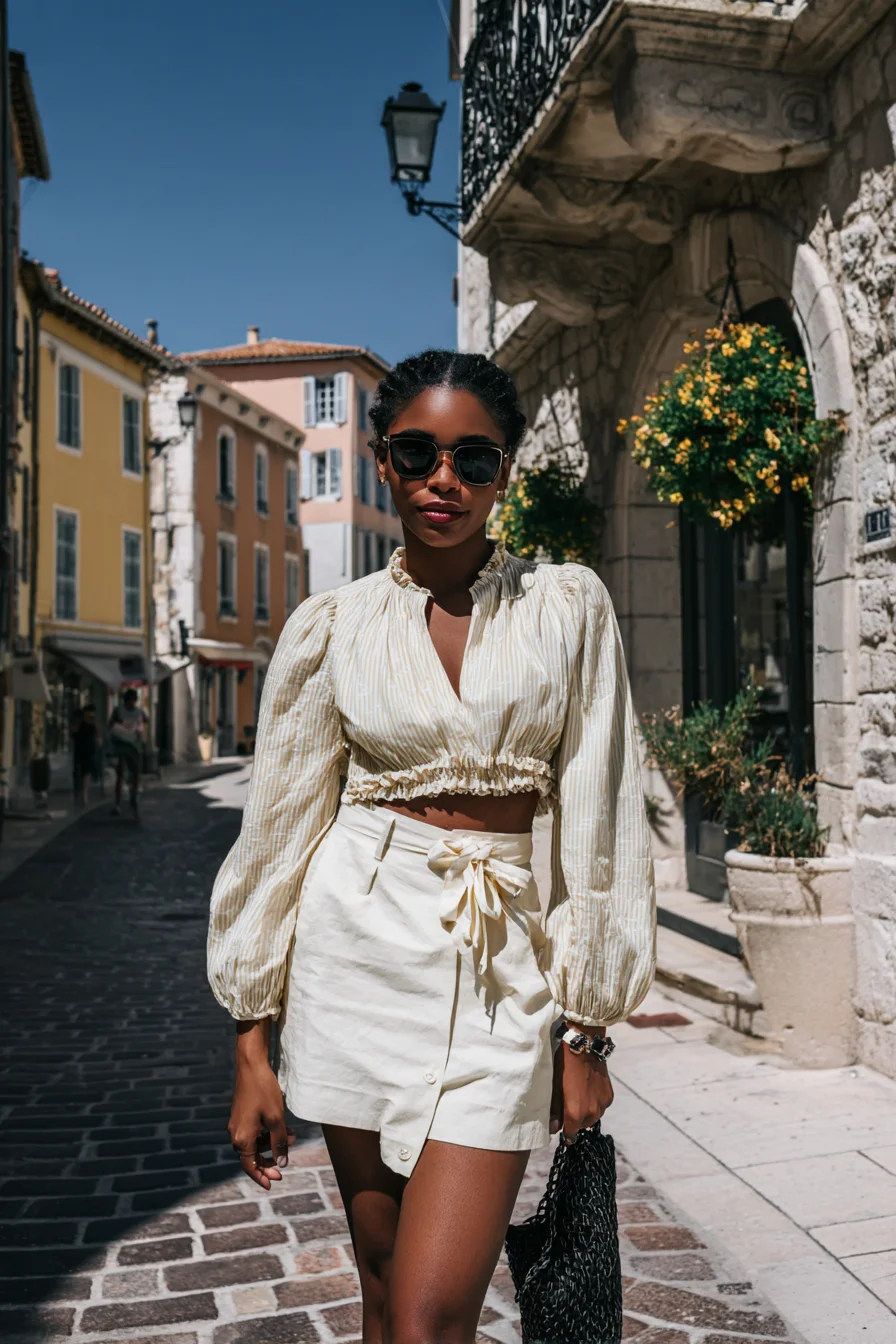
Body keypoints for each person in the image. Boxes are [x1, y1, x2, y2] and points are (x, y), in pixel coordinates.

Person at [208, 350, 656, 1343]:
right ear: (382, 462)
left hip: (504, 970)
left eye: (472, 458)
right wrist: (250, 1044)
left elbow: (601, 816)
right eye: (416, 454)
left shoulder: (565, 606)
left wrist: (586, 1032)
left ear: (504, 472)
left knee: (427, 1316)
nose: (442, 479)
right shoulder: (331, 628)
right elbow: (277, 831)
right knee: (379, 1291)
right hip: (357, 951)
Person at [108, 687, 146, 817]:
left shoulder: (137, 712)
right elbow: (111, 725)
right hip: (122, 747)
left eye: (134, 701)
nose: (133, 703)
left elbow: (142, 727)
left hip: (132, 747)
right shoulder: (120, 711)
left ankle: (132, 798)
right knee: (121, 775)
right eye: (132, 700)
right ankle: (118, 803)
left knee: (134, 774)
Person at [71, 704, 100, 805]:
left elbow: (97, 734)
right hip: (80, 750)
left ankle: (84, 794)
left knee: (86, 772)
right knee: (79, 772)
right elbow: (74, 732)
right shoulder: (80, 721)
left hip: (88, 750)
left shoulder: (92, 723)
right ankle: (79, 793)